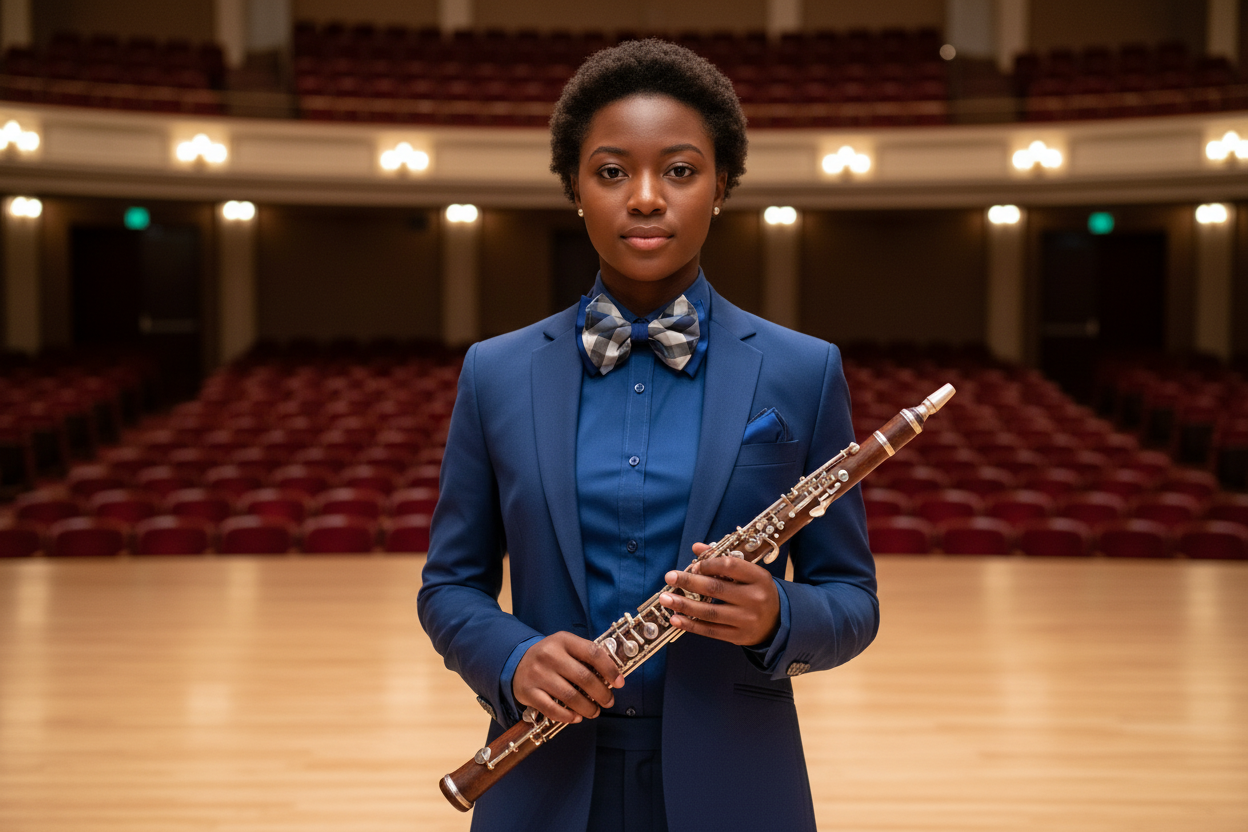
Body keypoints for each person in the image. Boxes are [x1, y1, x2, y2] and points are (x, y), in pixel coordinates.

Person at [417, 39, 878, 832]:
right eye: (610, 172)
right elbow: (449, 587)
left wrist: (777, 614)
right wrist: (513, 657)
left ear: (721, 187)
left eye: (679, 169)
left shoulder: (804, 371)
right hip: (541, 776)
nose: (644, 198)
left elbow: (852, 601)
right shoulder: (495, 373)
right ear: (574, 191)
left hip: (739, 782)